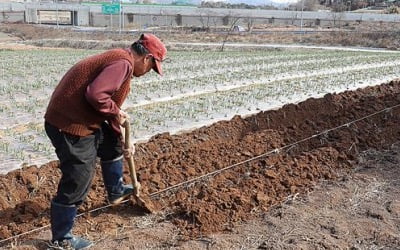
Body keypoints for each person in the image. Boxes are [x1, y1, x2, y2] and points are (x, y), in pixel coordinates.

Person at [44, 33, 167, 250]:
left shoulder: (121, 59)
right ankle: (61, 239)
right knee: (78, 177)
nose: (149, 72)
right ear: (147, 58)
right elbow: (97, 96)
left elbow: (104, 105)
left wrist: (123, 140)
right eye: (152, 67)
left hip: (82, 118)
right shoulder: (123, 64)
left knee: (111, 143)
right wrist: (116, 111)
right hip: (70, 124)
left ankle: (116, 190)